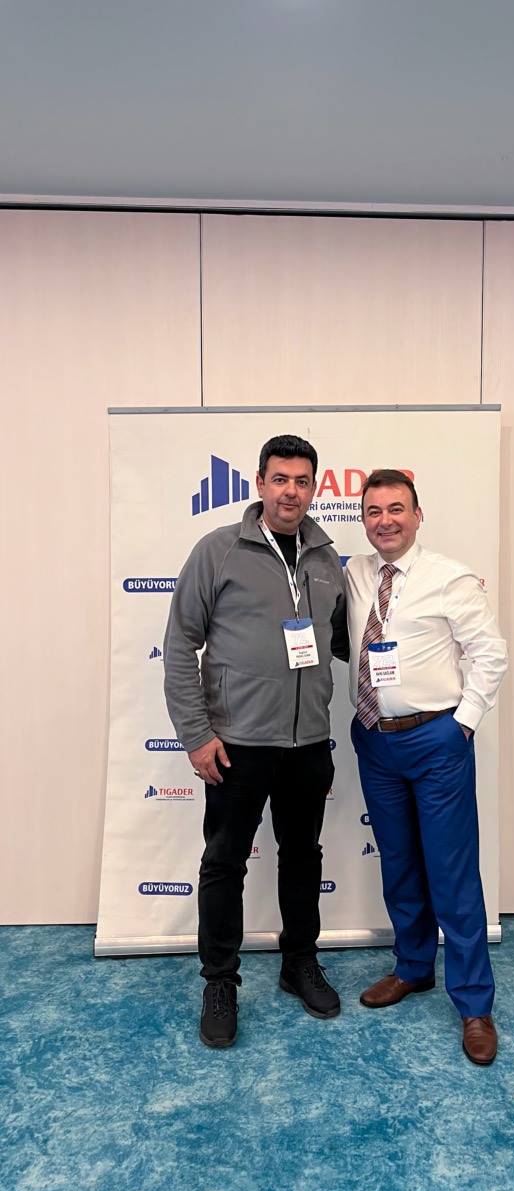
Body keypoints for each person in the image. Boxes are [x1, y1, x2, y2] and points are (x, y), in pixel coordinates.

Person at [163, 434, 348, 1048]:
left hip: (308, 742)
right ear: (260, 484)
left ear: (314, 487)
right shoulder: (219, 551)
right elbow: (180, 645)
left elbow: (343, 639)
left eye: (302, 480)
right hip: (236, 745)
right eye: (280, 479)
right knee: (224, 864)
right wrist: (196, 735)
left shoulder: (327, 559)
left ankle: (300, 962)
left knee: (302, 857)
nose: (291, 491)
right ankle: (220, 981)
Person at [345, 469, 508, 1066]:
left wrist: (463, 723)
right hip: (374, 740)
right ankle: (413, 967)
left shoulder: (449, 578)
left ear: (418, 515)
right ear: (363, 520)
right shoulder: (355, 573)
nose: (385, 520)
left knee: (452, 873)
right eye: (374, 511)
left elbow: (490, 654)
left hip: (436, 739)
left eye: (397, 509)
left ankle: (474, 1004)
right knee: (399, 863)